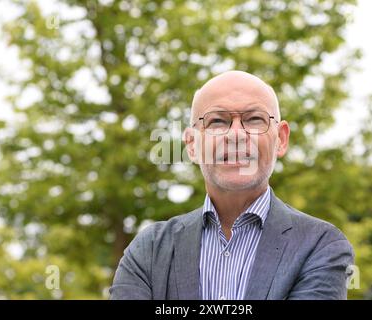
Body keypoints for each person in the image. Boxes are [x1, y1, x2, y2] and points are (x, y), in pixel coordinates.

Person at [110, 70, 354, 300]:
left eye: (254, 119)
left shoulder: (320, 246)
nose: (236, 134)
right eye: (217, 121)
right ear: (192, 144)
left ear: (280, 139)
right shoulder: (149, 250)